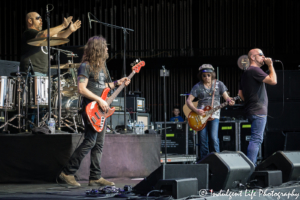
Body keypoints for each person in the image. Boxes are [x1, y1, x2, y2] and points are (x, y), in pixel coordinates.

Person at [59, 36, 130, 187]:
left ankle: (95, 177)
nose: (107, 49)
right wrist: (99, 100)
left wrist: (118, 82)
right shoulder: (85, 66)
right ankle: (67, 172)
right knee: (90, 141)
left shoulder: (102, 67)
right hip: (91, 109)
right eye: (104, 47)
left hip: (101, 111)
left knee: (99, 144)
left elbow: (104, 86)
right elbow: (81, 89)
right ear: (97, 49)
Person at [186, 64, 235, 161]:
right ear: (201, 76)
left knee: (213, 138)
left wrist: (230, 100)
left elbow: (226, 97)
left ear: (212, 74)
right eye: (204, 75)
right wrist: (196, 110)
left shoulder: (219, 84)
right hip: (200, 116)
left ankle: (217, 160)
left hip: (214, 115)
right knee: (203, 140)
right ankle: (204, 161)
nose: (207, 77)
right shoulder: (198, 86)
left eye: (209, 75)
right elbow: (188, 101)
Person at [238, 48, 277, 165]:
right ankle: (251, 168)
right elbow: (273, 81)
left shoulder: (246, 72)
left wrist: (250, 102)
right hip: (258, 111)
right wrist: (270, 65)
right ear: (253, 57)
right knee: (256, 139)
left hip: (251, 110)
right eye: (261, 55)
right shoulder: (254, 70)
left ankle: (250, 166)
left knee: (255, 139)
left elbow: (240, 93)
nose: (263, 57)